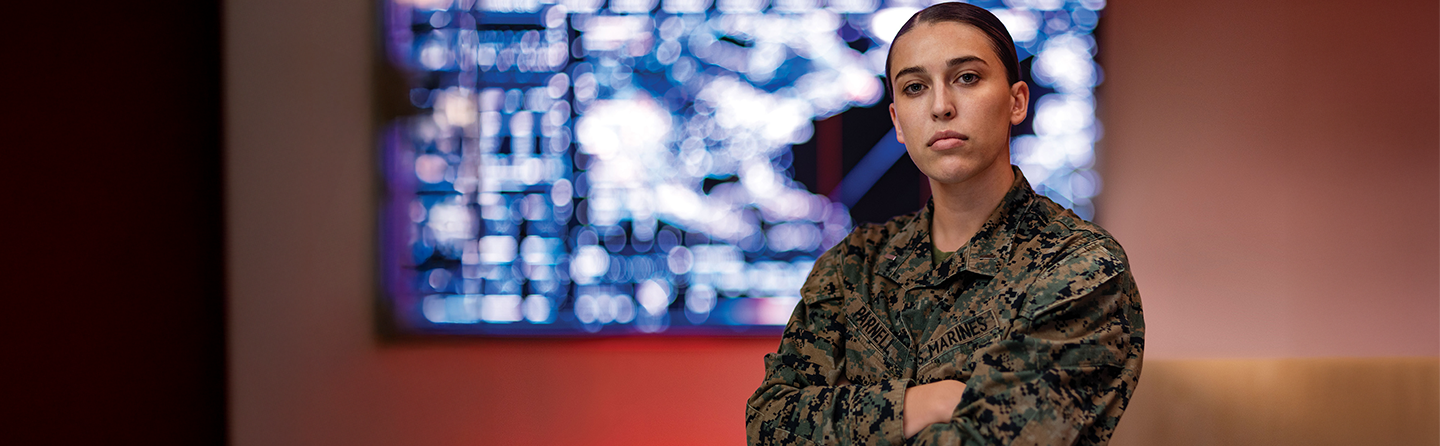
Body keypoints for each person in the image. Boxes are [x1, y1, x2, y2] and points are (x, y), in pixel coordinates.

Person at [744, 3, 1144, 445]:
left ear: (1017, 102)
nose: (940, 106)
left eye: (967, 78)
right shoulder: (852, 266)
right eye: (915, 87)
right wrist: (926, 403)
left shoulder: (1081, 268)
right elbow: (770, 424)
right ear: (897, 122)